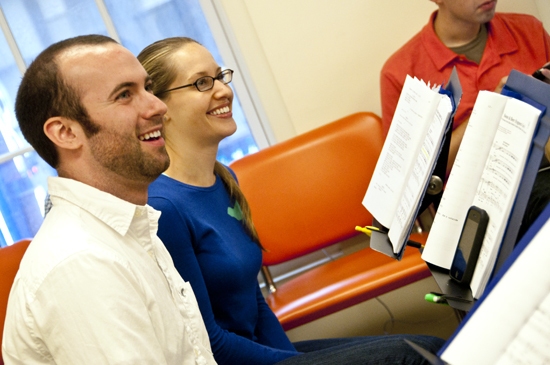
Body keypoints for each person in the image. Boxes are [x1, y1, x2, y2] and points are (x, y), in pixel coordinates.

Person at [138, 36, 445, 365]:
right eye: (201, 83)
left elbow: (254, 303)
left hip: (267, 354)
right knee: (409, 359)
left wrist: (292, 358)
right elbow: (209, 343)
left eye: (220, 75)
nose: (223, 90)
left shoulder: (223, 178)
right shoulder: (164, 208)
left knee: (431, 346)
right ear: (160, 108)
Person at [2, 35, 216, 364]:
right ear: (66, 133)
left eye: (147, 88)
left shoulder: (130, 225)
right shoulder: (81, 262)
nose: (158, 106)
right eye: (125, 95)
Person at [380, 0, 550, 174]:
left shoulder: (529, 30)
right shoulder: (400, 73)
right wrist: (488, 111)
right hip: (469, 196)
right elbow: (409, 177)